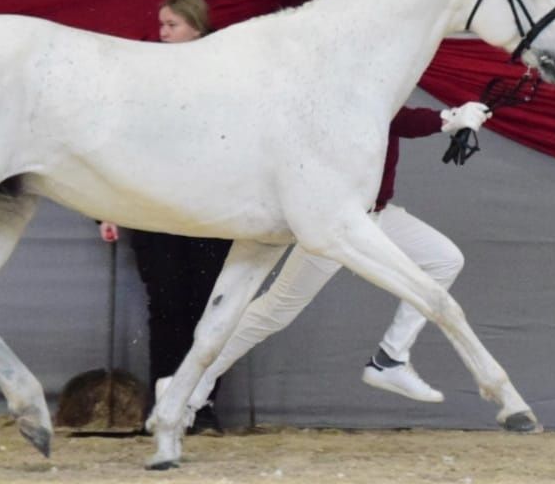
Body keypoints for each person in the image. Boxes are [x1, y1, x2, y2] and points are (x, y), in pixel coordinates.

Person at [168, 100, 492, 420]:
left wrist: (452, 118)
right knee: (276, 311)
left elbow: (395, 116)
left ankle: (390, 359)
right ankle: (189, 385)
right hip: (337, 225)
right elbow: (398, 120)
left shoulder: (375, 89)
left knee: (444, 259)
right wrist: (448, 118)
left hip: (376, 218)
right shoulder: (340, 98)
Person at [99, 0, 231, 433]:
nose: (163, 33)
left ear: (197, 26)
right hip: (156, 209)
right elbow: (119, 144)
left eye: (172, 25)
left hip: (212, 210)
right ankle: (165, 402)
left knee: (209, 309)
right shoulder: (144, 78)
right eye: (162, 26)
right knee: (167, 308)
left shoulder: (225, 73)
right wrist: (106, 207)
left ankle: (203, 403)